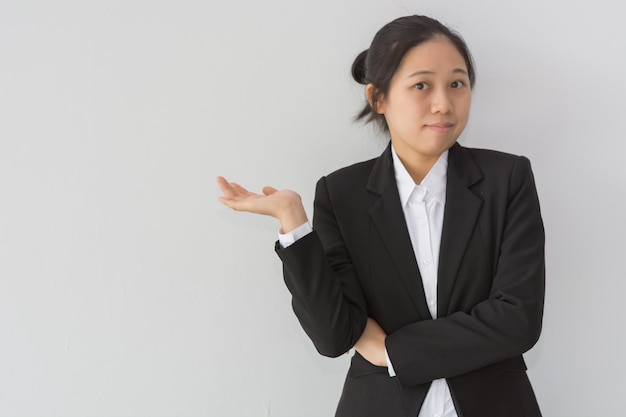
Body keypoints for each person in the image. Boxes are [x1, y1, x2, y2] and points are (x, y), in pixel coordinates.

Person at [217, 15, 545, 417]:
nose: (443, 103)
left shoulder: (507, 179)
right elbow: (335, 335)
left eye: (457, 83)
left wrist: (391, 350)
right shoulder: (341, 194)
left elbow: (518, 319)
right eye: (421, 85)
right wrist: (294, 225)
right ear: (378, 98)